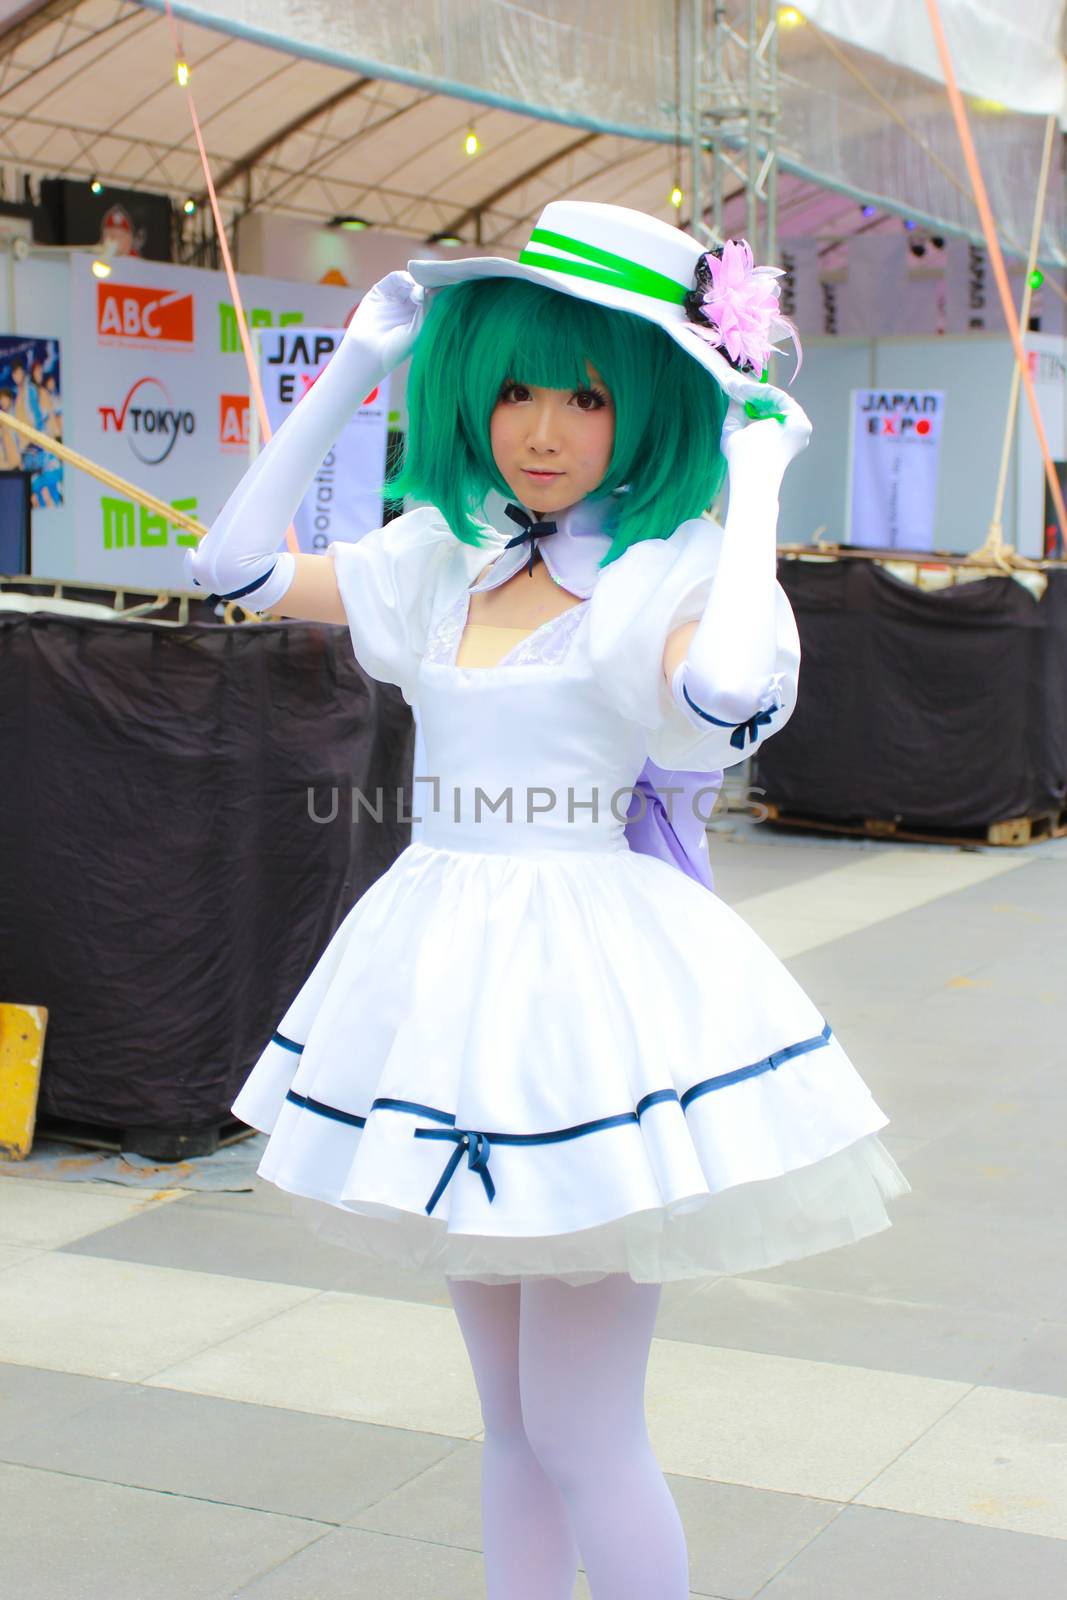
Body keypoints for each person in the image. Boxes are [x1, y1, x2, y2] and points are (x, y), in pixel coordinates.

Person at [189, 201, 909, 1600]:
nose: (541, 428)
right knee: (513, 1426)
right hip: (445, 982)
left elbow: (727, 693)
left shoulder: (661, 575)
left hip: (587, 991)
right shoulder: (435, 558)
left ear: (648, 405)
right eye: (515, 386)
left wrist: (751, 484)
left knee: (583, 1426)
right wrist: (349, 378)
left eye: (586, 394)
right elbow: (230, 568)